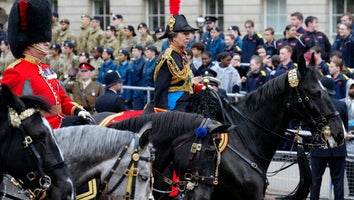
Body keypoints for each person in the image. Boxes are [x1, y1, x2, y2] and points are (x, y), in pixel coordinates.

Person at [1, 0, 92, 129]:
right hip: (42, 134)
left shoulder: (46, 68)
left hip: (61, 125)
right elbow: (10, 111)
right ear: (28, 42)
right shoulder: (16, 71)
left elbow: (62, 98)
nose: (47, 42)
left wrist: (77, 111)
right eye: (41, 40)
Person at [310, 76, 347, 200]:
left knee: (315, 182)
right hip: (338, 148)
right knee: (338, 182)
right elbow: (344, 126)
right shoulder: (341, 105)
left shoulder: (314, 105)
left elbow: (311, 127)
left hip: (319, 147)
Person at [153, 14, 198, 112]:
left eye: (189, 34)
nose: (188, 37)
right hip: (174, 105)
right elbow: (161, 89)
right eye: (185, 34)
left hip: (186, 99)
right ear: (173, 37)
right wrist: (162, 114)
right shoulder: (167, 57)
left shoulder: (182, 54)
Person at [345, 79, 354, 197]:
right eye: (351, 87)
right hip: (346, 143)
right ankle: (351, 192)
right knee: (349, 171)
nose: (353, 90)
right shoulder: (343, 103)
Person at [131, 44, 146, 110]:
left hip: (140, 89)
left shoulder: (144, 62)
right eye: (132, 51)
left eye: (135, 51)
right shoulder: (134, 62)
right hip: (134, 89)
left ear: (140, 51)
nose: (133, 53)